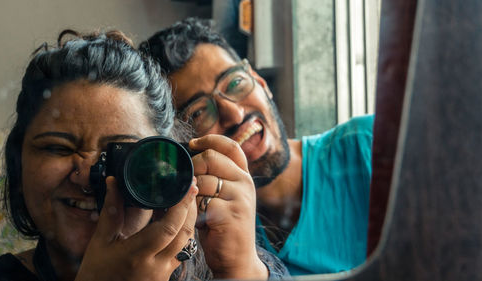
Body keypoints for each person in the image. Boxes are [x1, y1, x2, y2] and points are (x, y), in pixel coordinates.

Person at [0, 30, 289, 281]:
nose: (88, 175)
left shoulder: (221, 264)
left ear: (171, 162)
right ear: (18, 161)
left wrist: (244, 270)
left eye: (120, 153)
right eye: (58, 148)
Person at [139, 17, 374, 275]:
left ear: (260, 82)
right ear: (179, 147)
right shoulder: (209, 241)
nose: (235, 114)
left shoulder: (370, 145)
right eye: (198, 113)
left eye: (235, 83)